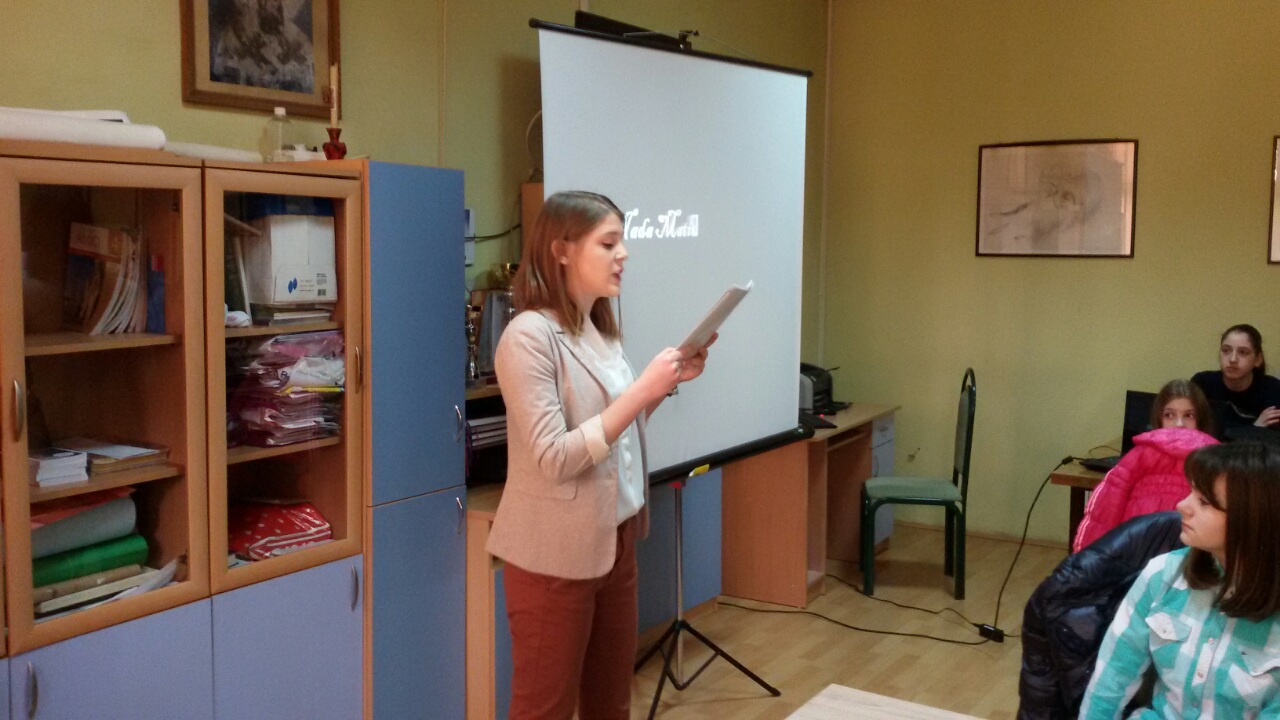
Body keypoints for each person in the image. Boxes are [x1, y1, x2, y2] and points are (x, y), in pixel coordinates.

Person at [485, 191, 715, 720]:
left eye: (622, 242)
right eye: (608, 243)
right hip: (553, 557)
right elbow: (556, 457)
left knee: (611, 704)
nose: (623, 254)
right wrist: (640, 390)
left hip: (616, 540)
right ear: (561, 250)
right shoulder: (527, 337)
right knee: (544, 709)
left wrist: (664, 386)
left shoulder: (598, 330)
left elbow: (617, 434)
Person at [1079, 442, 1280, 718]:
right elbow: (1113, 674)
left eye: (1204, 502)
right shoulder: (1162, 574)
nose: (1181, 505)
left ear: (1254, 520)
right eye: (1191, 492)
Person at [1072, 379, 1218, 552]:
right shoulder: (1139, 455)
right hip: (1136, 549)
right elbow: (1104, 512)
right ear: (1159, 419)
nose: (1179, 424)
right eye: (1169, 415)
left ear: (1200, 420)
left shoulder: (1214, 463)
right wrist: (1090, 559)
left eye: (1188, 415)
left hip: (1191, 554)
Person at [1192, 323, 1280, 432]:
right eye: (1226, 350)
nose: (1232, 359)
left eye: (1243, 352)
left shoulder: (1273, 389)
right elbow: (1194, 429)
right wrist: (1254, 428)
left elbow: (1273, 436)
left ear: (1258, 359)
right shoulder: (1202, 383)